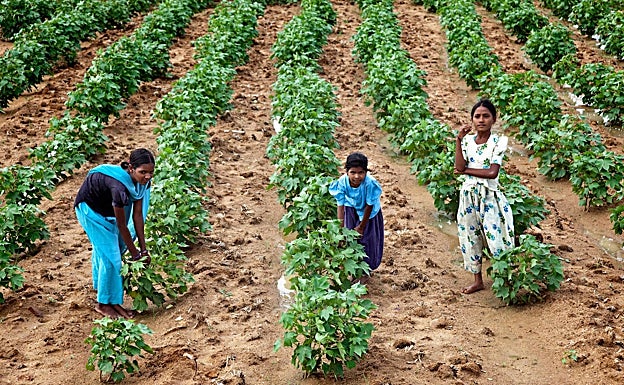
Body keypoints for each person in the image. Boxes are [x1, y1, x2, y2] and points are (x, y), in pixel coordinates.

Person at [74, 148, 155, 318]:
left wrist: (144, 249)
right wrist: (135, 254)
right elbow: (122, 225)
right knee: (112, 257)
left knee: (111, 249)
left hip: (109, 209)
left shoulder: (142, 182)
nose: (147, 176)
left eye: (151, 172)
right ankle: (104, 304)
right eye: (143, 172)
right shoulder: (118, 187)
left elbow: (138, 216)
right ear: (131, 168)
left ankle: (107, 294)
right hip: (90, 211)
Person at [454, 99, 515, 294]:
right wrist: (458, 140)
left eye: (486, 116)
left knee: (497, 238)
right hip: (468, 196)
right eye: (477, 116)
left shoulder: (498, 141)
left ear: (494, 119)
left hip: (489, 196)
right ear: (472, 119)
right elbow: (459, 166)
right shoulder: (467, 142)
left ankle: (505, 279)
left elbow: (492, 173)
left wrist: (466, 173)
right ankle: (477, 280)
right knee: (470, 237)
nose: (481, 120)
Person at [329, 152, 384, 282]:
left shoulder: (370, 183)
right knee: (350, 238)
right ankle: (354, 269)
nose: (357, 176)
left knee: (367, 240)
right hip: (352, 208)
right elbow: (340, 206)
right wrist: (341, 229)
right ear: (347, 171)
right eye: (353, 172)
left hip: (369, 215)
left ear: (366, 172)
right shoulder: (342, 182)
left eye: (361, 172)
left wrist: (361, 226)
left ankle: (365, 272)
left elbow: (369, 206)